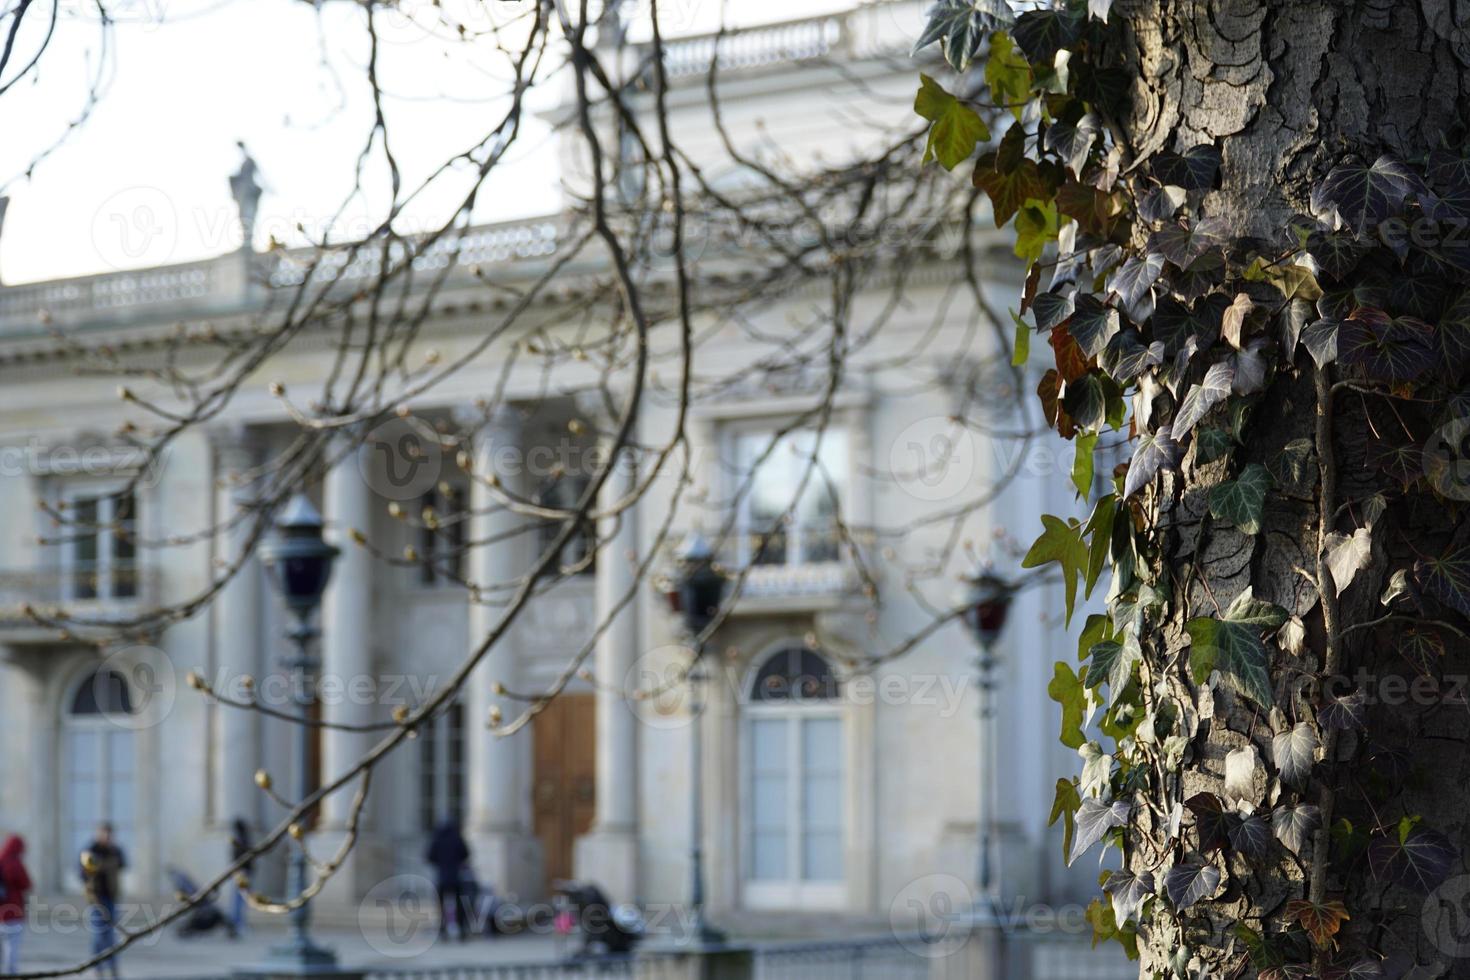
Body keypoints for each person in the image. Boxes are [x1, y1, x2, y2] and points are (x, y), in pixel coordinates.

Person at [80, 823, 126, 979]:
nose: (106, 838)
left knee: (111, 936)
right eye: (104, 834)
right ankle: (97, 968)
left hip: (111, 897)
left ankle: (113, 968)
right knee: (98, 935)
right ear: (98, 834)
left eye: (109, 835)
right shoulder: (90, 851)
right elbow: (82, 873)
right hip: (97, 899)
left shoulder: (115, 850)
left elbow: (123, 864)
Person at [425, 820, 471, 940]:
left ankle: (443, 930)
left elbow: (430, 857)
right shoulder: (457, 839)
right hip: (455, 877)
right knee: (459, 905)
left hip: (442, 877)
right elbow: (466, 854)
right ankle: (461, 930)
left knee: (442, 906)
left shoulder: (437, 839)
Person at [0, 834, 32, 974]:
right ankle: (10, 973)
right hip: (13, 910)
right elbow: (26, 883)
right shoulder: (15, 863)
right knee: (12, 946)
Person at [227, 819, 253, 939]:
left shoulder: (241, 840)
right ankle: (237, 923)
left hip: (241, 872)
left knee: (240, 899)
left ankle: (238, 922)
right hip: (242, 872)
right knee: (239, 899)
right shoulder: (241, 840)